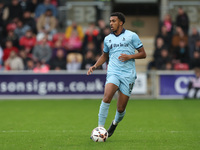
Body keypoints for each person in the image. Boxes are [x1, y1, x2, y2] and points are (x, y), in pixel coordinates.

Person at [87, 12, 146, 138]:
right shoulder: (108, 38)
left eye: (113, 21)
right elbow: (104, 56)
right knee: (107, 97)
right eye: (110, 21)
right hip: (113, 72)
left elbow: (143, 53)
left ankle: (114, 123)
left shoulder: (132, 36)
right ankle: (100, 129)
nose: (111, 23)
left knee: (120, 109)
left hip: (128, 75)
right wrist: (95, 66)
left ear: (121, 22)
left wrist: (130, 56)